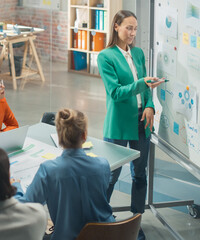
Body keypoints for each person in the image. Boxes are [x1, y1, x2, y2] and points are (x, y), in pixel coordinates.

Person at [97, 10, 164, 238]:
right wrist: (141, 83)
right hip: (118, 123)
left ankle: (136, 221)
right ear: (116, 26)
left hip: (142, 121)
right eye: (128, 27)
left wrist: (149, 106)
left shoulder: (138, 53)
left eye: (135, 28)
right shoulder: (106, 56)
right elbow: (115, 92)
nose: (132, 33)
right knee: (110, 175)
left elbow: (146, 89)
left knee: (140, 174)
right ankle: (101, 219)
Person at [14, 109, 115, 240]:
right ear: (84, 136)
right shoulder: (103, 165)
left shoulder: (48, 170)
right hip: (108, 234)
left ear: (59, 136)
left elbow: (26, 207)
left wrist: (16, 186)